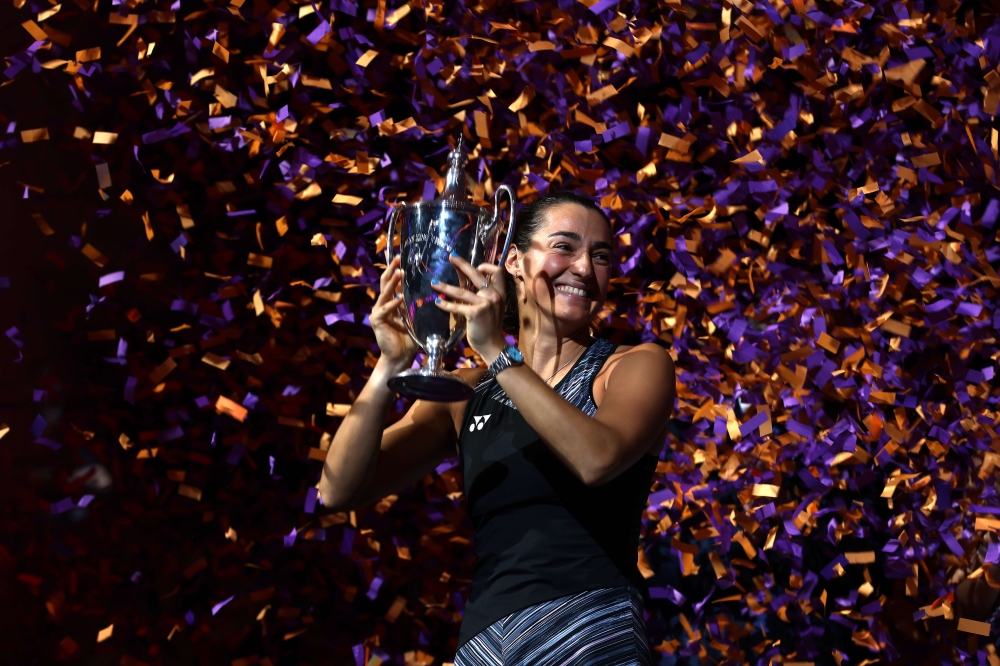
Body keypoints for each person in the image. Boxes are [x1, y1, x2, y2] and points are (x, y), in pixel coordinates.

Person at [317, 191, 676, 665]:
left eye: (601, 255)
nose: (586, 269)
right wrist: (390, 366)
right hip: (486, 647)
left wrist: (496, 351)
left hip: (590, 638)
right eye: (565, 247)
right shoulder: (468, 393)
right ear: (514, 262)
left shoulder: (634, 365)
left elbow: (596, 459)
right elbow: (338, 489)